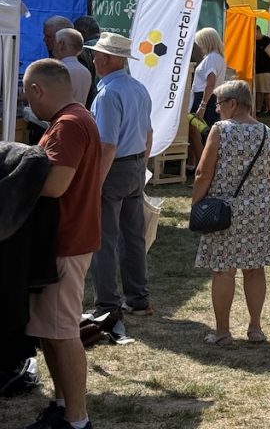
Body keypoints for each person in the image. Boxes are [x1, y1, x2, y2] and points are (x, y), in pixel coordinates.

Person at [22, 59, 102, 429]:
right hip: (65, 240)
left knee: (64, 334)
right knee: (51, 333)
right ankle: (62, 406)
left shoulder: (68, 124)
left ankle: (76, 420)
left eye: (28, 96)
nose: (28, 104)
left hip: (66, 241)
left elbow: (55, 185)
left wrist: (15, 172)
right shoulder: (75, 118)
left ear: (37, 89)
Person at [193, 81, 270, 345]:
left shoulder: (220, 130)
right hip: (259, 211)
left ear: (232, 104)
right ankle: (255, 328)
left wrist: (196, 204)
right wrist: (263, 201)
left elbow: (203, 172)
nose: (217, 109)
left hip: (224, 211)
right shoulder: (266, 132)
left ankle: (222, 332)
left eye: (219, 104)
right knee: (254, 269)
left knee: (224, 270)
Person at [85, 33, 154, 317]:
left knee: (104, 240)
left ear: (107, 59)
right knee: (133, 237)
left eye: (97, 55)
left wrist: (95, 183)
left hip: (114, 168)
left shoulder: (108, 94)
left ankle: (107, 304)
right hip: (134, 165)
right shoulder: (138, 88)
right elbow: (148, 134)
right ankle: (138, 299)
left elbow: (108, 145)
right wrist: (141, 166)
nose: (93, 59)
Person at [188, 28, 227, 169]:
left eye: (200, 42)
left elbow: (210, 83)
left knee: (196, 132)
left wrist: (202, 105)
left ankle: (202, 166)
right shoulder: (217, 57)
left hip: (205, 98)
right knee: (203, 132)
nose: (199, 46)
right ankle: (198, 164)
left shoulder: (211, 58)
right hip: (210, 97)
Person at [53, 28, 93, 107]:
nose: (53, 47)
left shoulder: (59, 70)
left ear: (61, 44)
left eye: (54, 43)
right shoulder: (86, 72)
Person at [254, 24, 270, 116]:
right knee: (259, 91)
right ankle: (258, 110)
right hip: (257, 70)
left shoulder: (268, 41)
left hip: (266, 70)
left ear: (258, 31)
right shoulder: (253, 41)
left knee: (268, 91)